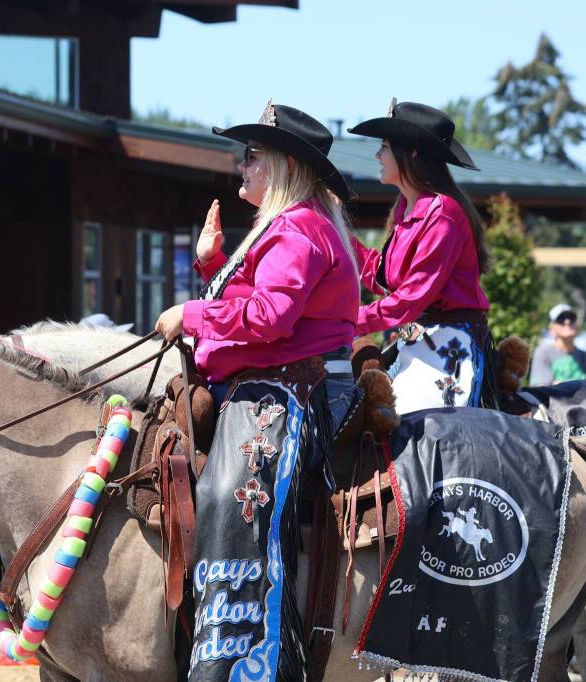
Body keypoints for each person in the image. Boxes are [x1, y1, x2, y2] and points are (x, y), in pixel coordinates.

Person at [154, 101, 359, 680]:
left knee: (228, 493)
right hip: (272, 379)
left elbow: (269, 317)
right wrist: (213, 261)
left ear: (285, 165)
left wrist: (190, 314)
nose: (241, 167)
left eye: (252, 156)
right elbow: (251, 301)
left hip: (292, 389)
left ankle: (243, 660)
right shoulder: (290, 224)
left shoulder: (298, 227)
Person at [347, 99, 494, 414]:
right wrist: (338, 236)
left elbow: (410, 298)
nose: (377, 155)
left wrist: (345, 321)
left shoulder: (443, 213)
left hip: (449, 346)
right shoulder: (407, 206)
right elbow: (385, 277)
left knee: (409, 422)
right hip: (417, 340)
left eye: (384, 146)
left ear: (411, 152)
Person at [530, 304, 586, 385]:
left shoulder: (583, 355)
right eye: (561, 319)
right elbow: (542, 388)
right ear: (551, 328)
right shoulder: (543, 352)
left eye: (571, 318)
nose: (567, 321)